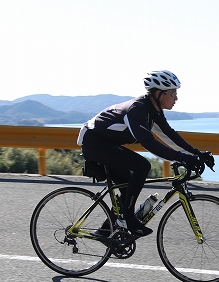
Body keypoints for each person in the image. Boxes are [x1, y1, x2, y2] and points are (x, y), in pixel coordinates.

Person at [78, 70, 209, 236]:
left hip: (107, 144)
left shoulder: (154, 110)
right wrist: (183, 158)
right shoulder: (137, 110)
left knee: (127, 190)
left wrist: (197, 154)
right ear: (159, 93)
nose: (176, 98)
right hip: (93, 143)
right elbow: (150, 144)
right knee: (142, 165)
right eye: (173, 93)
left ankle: (105, 231)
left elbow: (168, 134)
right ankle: (128, 219)